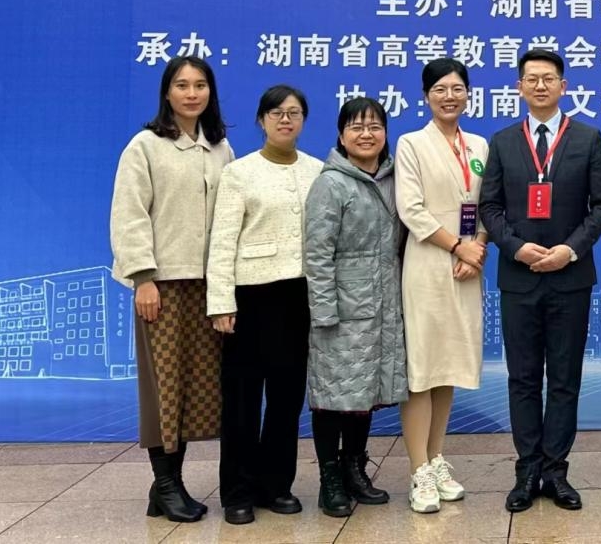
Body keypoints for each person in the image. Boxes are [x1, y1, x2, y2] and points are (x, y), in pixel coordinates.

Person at [479, 49, 601, 513]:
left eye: (549, 78)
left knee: (564, 379)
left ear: (564, 86)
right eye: (532, 78)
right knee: (522, 379)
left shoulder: (587, 137)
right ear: (519, 86)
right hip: (518, 279)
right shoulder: (502, 141)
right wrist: (515, 247)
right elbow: (490, 206)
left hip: (570, 278)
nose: (540, 86)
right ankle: (526, 471)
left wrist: (569, 250)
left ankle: (556, 472)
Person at [109, 55, 233, 523]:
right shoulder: (145, 146)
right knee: (163, 385)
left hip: (207, 285)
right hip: (161, 284)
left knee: (194, 387)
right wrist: (143, 277)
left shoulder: (220, 148)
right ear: (166, 92)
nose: (191, 93)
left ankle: (168, 486)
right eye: (182, 85)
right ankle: (165, 483)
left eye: (200, 85)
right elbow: (129, 214)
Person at [206, 85, 322, 525]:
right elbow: (222, 242)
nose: (285, 120)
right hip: (250, 297)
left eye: (293, 113)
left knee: (286, 398)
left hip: (299, 296)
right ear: (261, 120)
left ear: (303, 120)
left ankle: (277, 485)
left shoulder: (317, 170)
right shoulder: (239, 172)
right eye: (276, 113)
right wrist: (221, 302)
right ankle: (237, 491)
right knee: (242, 399)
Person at [304, 97, 408, 517]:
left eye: (374, 126)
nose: (366, 134)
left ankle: (354, 468)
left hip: (384, 303)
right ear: (341, 135)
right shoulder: (330, 183)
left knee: (364, 392)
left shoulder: (396, 178)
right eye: (356, 127)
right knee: (332, 395)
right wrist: (324, 311)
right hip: (343, 308)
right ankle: (329, 478)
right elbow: (317, 253)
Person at [395, 58, 490, 514]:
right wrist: (457, 246)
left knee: (448, 366)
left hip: (468, 267)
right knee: (423, 370)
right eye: (439, 90)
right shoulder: (412, 144)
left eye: (456, 89)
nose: (449, 97)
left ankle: (436, 459)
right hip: (429, 265)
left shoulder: (480, 145)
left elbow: (488, 205)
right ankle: (418, 469)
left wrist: (478, 247)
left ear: (468, 94)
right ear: (426, 96)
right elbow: (411, 209)